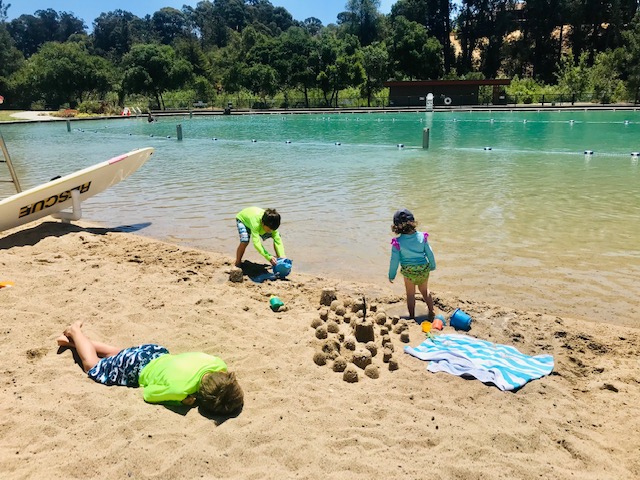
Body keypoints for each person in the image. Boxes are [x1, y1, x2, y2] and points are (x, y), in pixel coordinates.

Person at [57, 321, 244, 416]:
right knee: (93, 365)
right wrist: (181, 401)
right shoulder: (180, 390)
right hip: (137, 369)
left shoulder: (219, 364)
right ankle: (75, 331)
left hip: (155, 352)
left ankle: (72, 342)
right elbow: (148, 393)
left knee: (116, 354)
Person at [388, 209, 437, 321]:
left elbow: (394, 261)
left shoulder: (398, 242)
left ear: (396, 227)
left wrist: (391, 275)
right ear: (413, 222)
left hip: (409, 271)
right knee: (424, 291)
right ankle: (431, 310)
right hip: (423, 269)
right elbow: (430, 252)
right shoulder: (422, 237)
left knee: (410, 295)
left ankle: (411, 316)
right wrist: (432, 265)